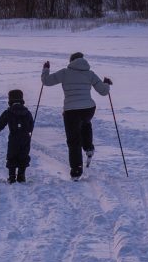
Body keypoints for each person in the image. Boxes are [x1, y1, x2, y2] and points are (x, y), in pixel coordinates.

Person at [41, 52, 112, 180]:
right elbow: (104, 91)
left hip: (71, 111)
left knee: (73, 140)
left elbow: (46, 81)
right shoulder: (90, 73)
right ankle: (89, 148)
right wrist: (106, 83)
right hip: (88, 109)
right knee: (85, 123)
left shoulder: (65, 72)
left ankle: (76, 171)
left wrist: (46, 69)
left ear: (71, 61)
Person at [0, 89, 34, 183]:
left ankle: (12, 177)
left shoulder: (8, 112)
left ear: (10, 99)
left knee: (12, 155)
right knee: (23, 155)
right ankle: (21, 176)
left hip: (14, 138)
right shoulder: (27, 113)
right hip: (25, 138)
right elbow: (31, 126)